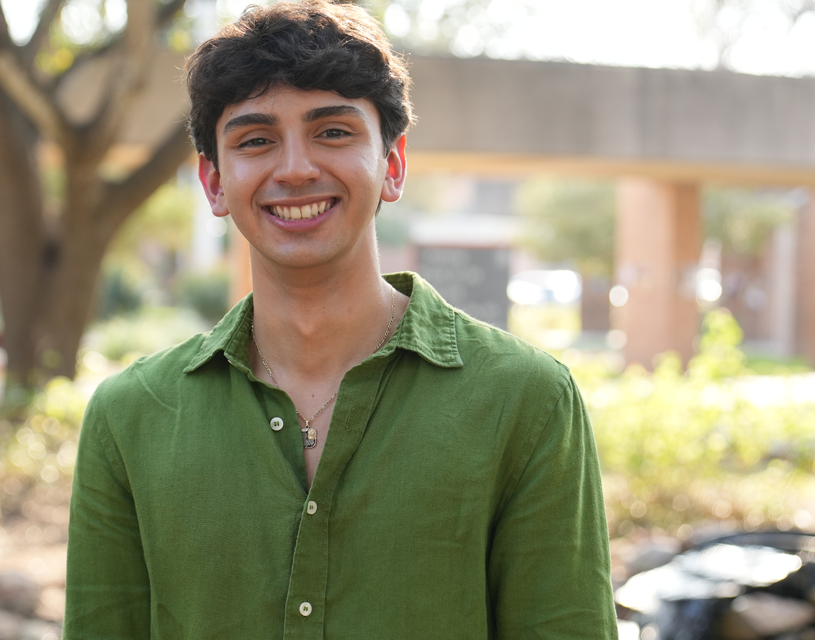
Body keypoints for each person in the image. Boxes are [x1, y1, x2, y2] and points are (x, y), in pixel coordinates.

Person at [63, 1, 618, 638]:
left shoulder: (526, 400)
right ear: (214, 184)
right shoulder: (131, 417)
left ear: (394, 164)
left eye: (333, 132)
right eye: (255, 140)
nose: (296, 169)